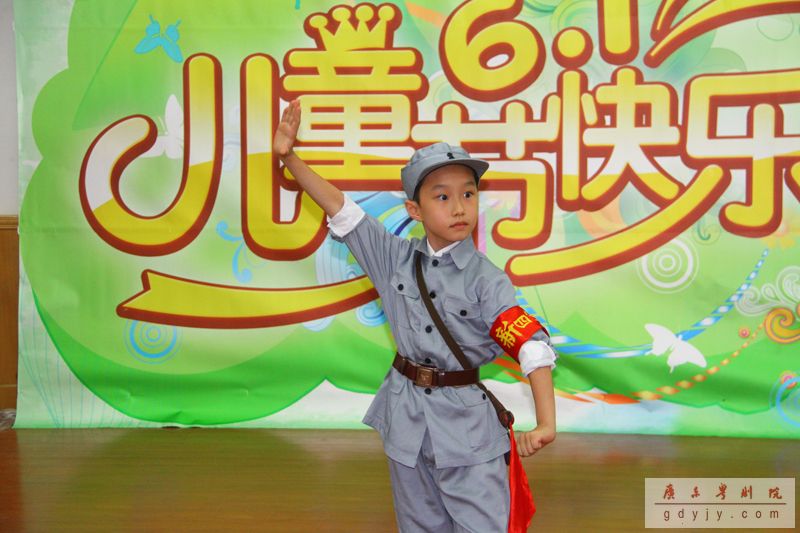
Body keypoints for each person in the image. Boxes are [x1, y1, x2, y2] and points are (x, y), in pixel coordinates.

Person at [274, 99, 557, 532]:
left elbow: (531, 347)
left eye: (468, 194)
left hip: (467, 432)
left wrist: (546, 423)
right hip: (406, 420)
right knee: (418, 526)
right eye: (442, 196)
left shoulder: (487, 281)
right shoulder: (394, 260)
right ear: (415, 210)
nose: (459, 207)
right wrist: (289, 157)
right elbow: (343, 211)